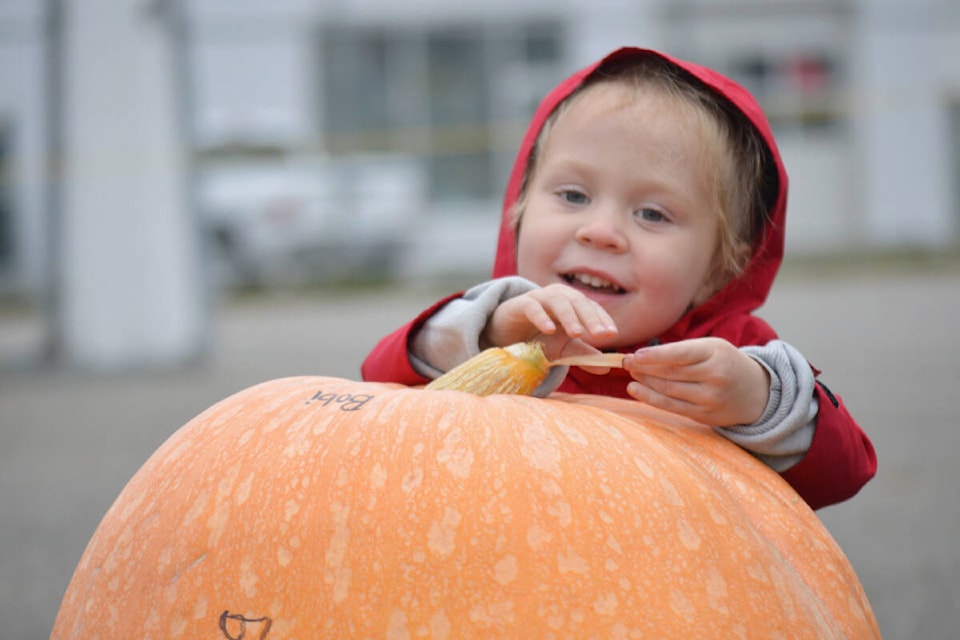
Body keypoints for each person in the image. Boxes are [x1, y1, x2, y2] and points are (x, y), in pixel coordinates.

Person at [361, 47, 876, 510]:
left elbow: (844, 472)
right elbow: (379, 392)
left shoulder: (731, 356)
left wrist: (755, 401)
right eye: (573, 196)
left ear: (720, 266)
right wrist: (488, 336)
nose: (601, 232)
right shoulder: (493, 330)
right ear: (518, 211)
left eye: (652, 214)